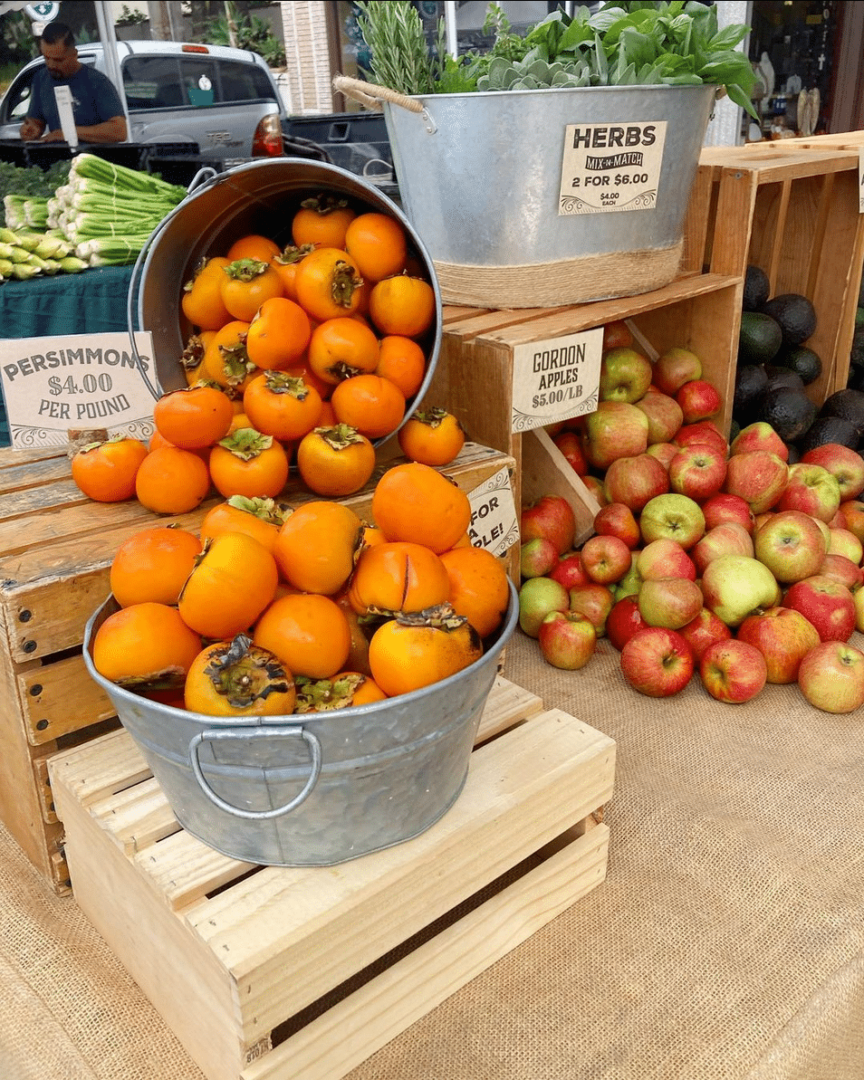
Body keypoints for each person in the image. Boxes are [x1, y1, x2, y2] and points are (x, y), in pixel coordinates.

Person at [18, 22, 127, 144]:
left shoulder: (97, 82)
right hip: (59, 161)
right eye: (46, 58)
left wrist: (68, 133)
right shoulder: (41, 79)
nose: (51, 65)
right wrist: (30, 130)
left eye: (58, 60)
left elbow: (119, 131)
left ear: (74, 54)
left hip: (92, 159)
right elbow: (35, 122)